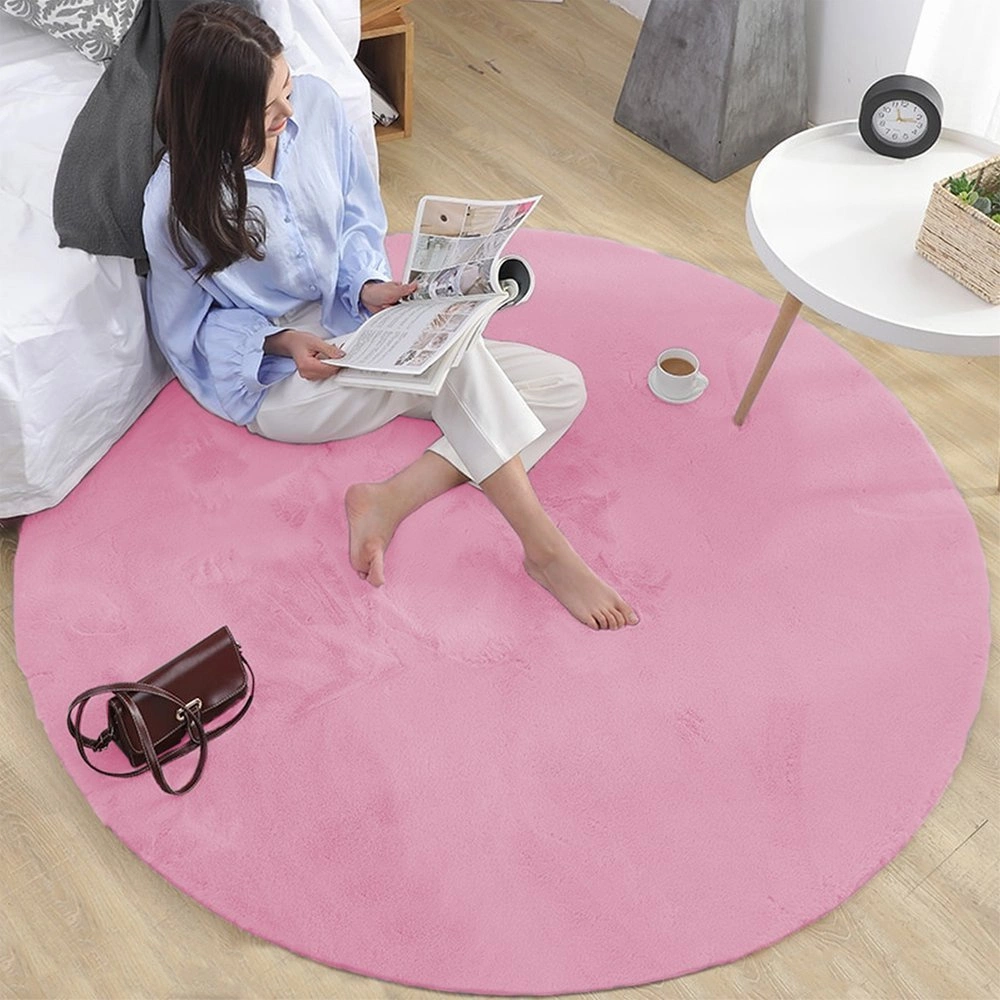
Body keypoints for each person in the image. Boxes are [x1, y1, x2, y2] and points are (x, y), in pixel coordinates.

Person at [142, 2, 638, 631]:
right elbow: (185, 333)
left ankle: (389, 500)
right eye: (268, 108)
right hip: (287, 384)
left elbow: (358, 220)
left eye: (287, 88)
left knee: (559, 386)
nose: (289, 111)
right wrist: (282, 340)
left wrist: (370, 287)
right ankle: (544, 548)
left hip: (359, 327)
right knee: (461, 360)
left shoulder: (319, 109)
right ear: (217, 114)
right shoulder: (173, 204)